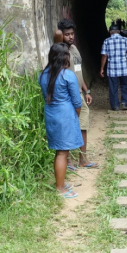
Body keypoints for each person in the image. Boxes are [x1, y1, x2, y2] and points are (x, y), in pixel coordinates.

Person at [38, 43, 83, 198]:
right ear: (65, 58)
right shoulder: (67, 75)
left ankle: (61, 182)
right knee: (63, 153)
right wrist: (75, 116)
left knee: (59, 151)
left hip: (50, 114)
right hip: (65, 114)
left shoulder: (43, 75)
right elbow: (77, 102)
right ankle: (60, 188)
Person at [57, 19, 99, 170]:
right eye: (67, 34)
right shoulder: (60, 52)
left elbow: (78, 71)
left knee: (83, 124)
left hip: (79, 94)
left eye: (72, 33)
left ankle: (83, 158)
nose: (70, 37)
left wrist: (86, 90)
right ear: (60, 35)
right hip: (67, 95)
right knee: (68, 126)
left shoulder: (74, 48)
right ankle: (67, 161)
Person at [100, 24, 127, 110]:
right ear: (119, 31)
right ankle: (125, 103)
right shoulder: (125, 40)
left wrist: (102, 69)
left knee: (113, 87)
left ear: (110, 32)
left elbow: (104, 56)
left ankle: (115, 106)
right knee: (125, 85)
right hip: (124, 68)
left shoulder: (106, 41)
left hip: (112, 70)